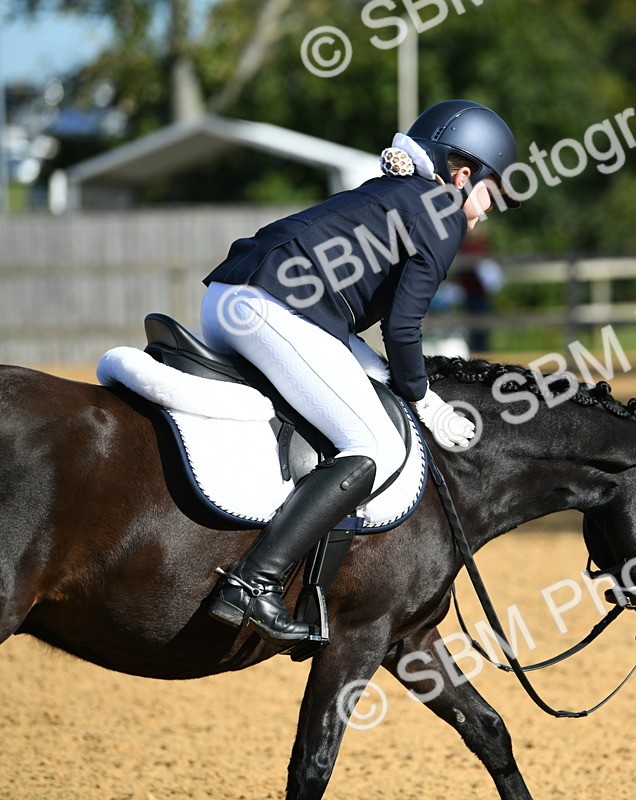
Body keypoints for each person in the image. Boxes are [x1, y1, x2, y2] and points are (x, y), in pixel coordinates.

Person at [198, 99, 520, 646]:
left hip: (232, 298)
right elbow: (403, 330)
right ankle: (254, 583)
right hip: (270, 307)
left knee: (358, 399)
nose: (487, 211)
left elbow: (363, 338)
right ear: (462, 176)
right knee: (371, 443)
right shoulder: (442, 210)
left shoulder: (396, 192)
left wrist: (396, 380)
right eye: (490, 194)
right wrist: (426, 401)